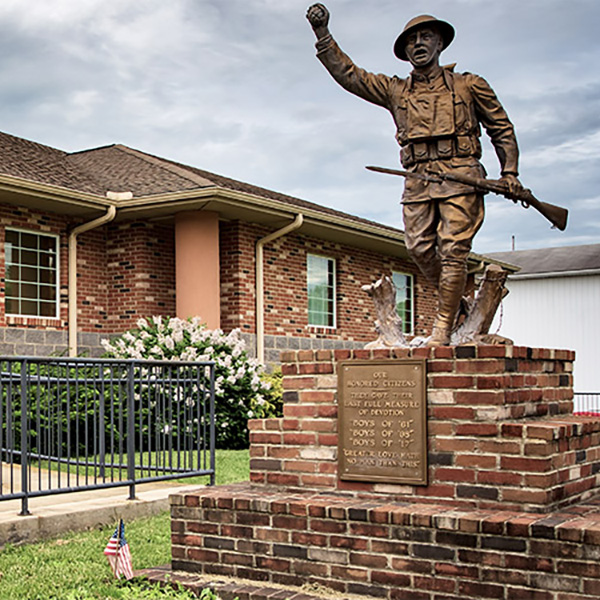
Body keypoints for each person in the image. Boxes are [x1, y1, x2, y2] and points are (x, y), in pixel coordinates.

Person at [306, 4, 522, 346]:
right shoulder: (396, 90)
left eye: (426, 37)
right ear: (405, 51)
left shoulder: (469, 85)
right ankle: (458, 307)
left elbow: (502, 129)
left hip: (462, 175)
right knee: (420, 248)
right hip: (419, 179)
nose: (418, 43)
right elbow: (350, 75)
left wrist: (509, 171)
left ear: (440, 43)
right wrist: (323, 34)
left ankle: (441, 329)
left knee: (453, 250)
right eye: (412, 40)